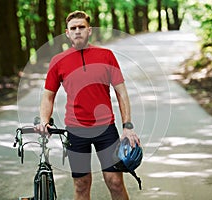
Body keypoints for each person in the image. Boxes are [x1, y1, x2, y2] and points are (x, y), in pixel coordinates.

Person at [36, 10, 140, 200]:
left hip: (106, 129)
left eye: (81, 27)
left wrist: (128, 126)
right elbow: (48, 96)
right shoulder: (58, 61)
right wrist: (44, 120)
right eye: (73, 28)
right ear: (67, 33)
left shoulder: (106, 55)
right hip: (76, 131)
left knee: (115, 183)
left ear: (89, 30)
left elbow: (121, 92)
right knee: (81, 185)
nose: (77, 31)